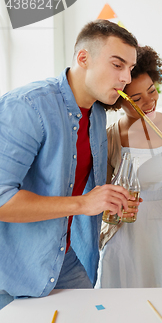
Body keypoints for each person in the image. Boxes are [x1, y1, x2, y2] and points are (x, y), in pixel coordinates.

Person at [0, 20, 138, 309]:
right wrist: (82, 204)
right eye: (117, 64)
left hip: (64, 257)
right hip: (10, 267)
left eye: (130, 69)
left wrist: (109, 201)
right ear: (83, 58)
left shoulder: (98, 115)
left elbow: (83, 189)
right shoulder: (27, 107)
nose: (126, 77)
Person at [97, 46, 162, 288]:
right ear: (118, 101)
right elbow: (102, 196)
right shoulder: (111, 137)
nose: (149, 102)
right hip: (130, 235)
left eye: (152, 91)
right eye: (136, 99)